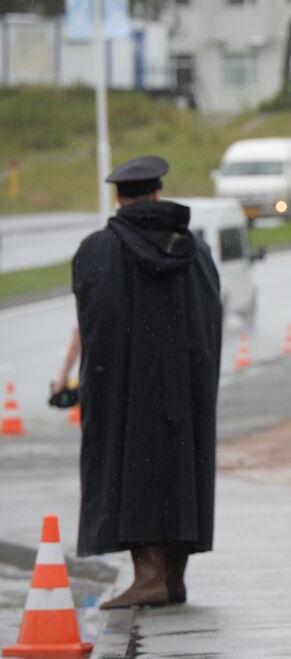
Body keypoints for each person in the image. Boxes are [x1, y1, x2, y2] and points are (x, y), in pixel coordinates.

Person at [71, 155, 223, 609]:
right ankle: (172, 578)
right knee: (183, 470)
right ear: (157, 193)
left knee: (129, 471)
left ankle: (149, 577)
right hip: (186, 386)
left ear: (120, 197)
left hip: (127, 389)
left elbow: (96, 325)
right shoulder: (194, 249)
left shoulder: (100, 249)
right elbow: (210, 317)